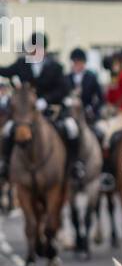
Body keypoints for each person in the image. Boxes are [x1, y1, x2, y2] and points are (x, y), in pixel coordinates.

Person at [0, 33, 86, 182]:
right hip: (26, 114)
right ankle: (5, 164)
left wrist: (46, 100)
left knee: (71, 128)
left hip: (49, 110)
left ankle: (74, 164)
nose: (33, 52)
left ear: (44, 50)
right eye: (32, 49)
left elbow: (63, 89)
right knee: (7, 130)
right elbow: (6, 71)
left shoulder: (56, 66)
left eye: (37, 49)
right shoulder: (22, 64)